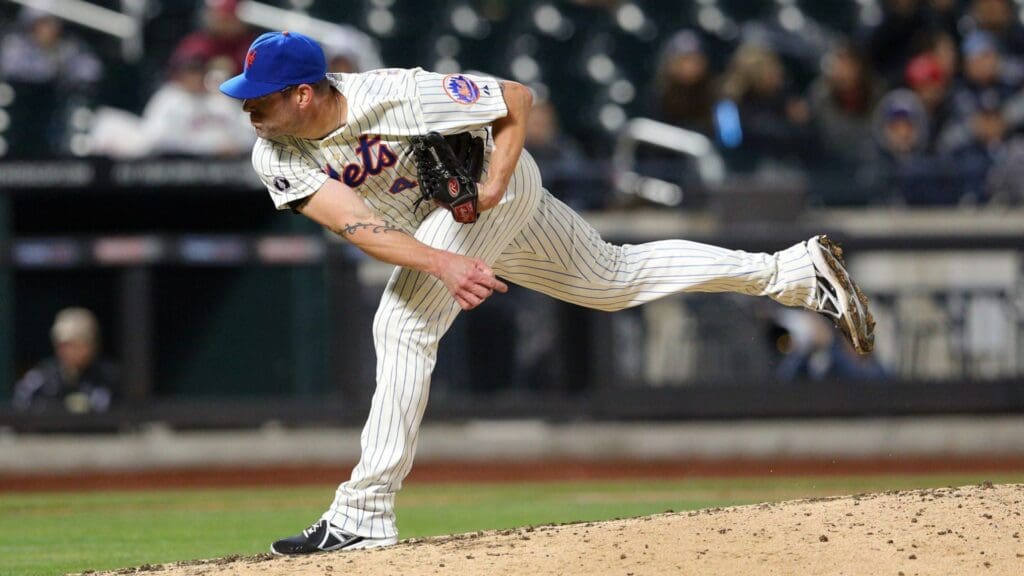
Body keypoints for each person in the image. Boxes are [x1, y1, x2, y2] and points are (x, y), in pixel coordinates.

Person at [218, 31, 875, 555]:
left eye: (261, 99)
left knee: (401, 325)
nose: (249, 109)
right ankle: (794, 271)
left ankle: (362, 514)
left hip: (494, 188)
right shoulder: (275, 154)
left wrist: (496, 186)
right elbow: (355, 223)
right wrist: (443, 261)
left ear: (303, 94)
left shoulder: (397, 95)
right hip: (447, 223)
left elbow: (515, 98)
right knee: (612, 280)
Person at [12, 308, 120, 414]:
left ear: (90, 345)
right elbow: (21, 404)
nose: (64, 351)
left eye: (73, 344)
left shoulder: (110, 377)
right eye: (61, 345)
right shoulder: (44, 376)